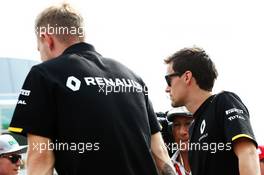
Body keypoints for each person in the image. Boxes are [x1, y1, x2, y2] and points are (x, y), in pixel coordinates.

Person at [8, 3, 175, 175]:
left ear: (47, 39)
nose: (41, 56)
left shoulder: (44, 74)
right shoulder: (133, 77)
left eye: (39, 49)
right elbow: (160, 152)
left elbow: (40, 155)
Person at [164, 47, 260, 175]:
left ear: (187, 77)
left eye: (168, 80)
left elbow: (248, 153)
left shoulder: (224, 101)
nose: (166, 88)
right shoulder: (193, 129)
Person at [167, 107, 193, 175]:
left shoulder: (214, 164)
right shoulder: (165, 167)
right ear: (171, 130)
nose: (182, 132)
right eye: (177, 125)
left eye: (188, 124)